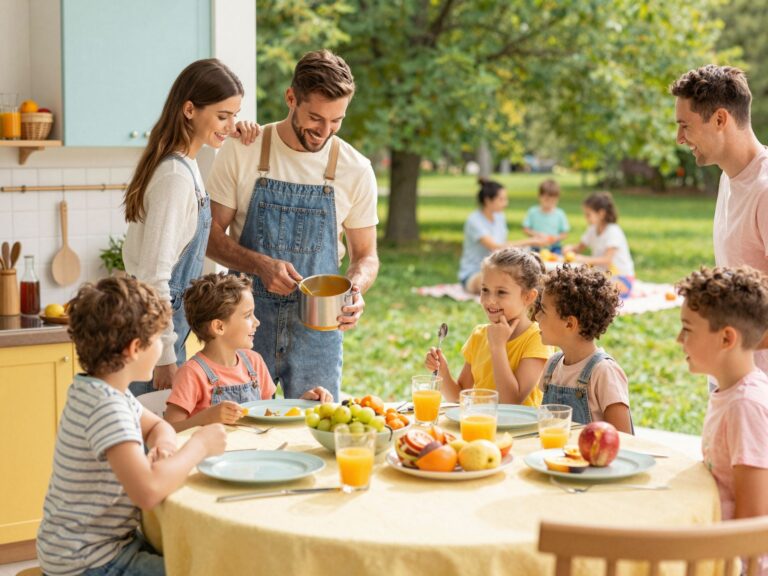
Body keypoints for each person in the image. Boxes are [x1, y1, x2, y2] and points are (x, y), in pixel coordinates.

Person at [205, 49, 379, 400]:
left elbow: (366, 256)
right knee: (243, 429)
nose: (324, 131)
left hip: (318, 330)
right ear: (290, 98)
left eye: (336, 121)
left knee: (314, 430)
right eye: (315, 118)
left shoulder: (355, 168)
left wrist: (355, 290)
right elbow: (207, 237)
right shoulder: (243, 150)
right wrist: (259, 265)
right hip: (245, 323)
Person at [36, 277, 226, 576]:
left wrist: (164, 447)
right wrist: (199, 445)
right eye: (157, 341)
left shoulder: (102, 389)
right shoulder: (106, 407)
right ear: (135, 348)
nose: (161, 349)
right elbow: (148, 492)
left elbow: (157, 428)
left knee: (192, 553)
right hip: (88, 562)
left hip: (93, 546)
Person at [122, 58, 259, 395]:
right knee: (156, 446)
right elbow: (155, 276)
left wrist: (231, 131)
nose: (230, 124)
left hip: (164, 338)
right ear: (189, 110)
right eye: (222, 116)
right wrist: (166, 356)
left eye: (234, 115)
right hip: (153, 346)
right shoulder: (174, 178)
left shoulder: (186, 165)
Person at [671, 64, 768, 374]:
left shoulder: (765, 191)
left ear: (720, 119)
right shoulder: (729, 176)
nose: (679, 138)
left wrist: (716, 345)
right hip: (733, 375)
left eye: (685, 125)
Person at [165, 273, 333, 431]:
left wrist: (303, 404)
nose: (257, 322)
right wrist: (205, 418)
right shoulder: (192, 373)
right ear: (219, 326)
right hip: (214, 459)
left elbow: (268, 412)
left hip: (253, 455)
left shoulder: (254, 362)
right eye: (248, 315)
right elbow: (169, 429)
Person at [675, 266, 768, 529]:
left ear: (727, 338)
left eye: (687, 329)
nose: (678, 339)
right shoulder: (729, 393)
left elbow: (752, 519)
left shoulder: (745, 406)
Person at [426, 247, 550, 405]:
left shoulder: (537, 338)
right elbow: (460, 398)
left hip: (520, 430)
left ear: (528, 296)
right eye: (485, 290)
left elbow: (511, 402)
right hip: (482, 425)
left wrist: (497, 347)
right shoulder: (479, 335)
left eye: (501, 292)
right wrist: (442, 373)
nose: (490, 300)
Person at [534, 265, 632, 433]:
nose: (536, 316)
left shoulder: (604, 372)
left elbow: (624, 439)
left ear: (570, 323)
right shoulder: (552, 365)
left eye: (543, 310)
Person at [459, 178, 549, 294]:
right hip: (474, 273)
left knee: (522, 277)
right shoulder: (474, 220)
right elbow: (495, 247)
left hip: (498, 269)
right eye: (501, 199)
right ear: (488, 200)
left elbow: (504, 246)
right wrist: (532, 241)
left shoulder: (499, 217)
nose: (506, 203)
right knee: (494, 282)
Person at [564, 191, 635, 298]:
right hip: (602, 276)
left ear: (601, 213)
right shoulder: (592, 229)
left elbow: (607, 259)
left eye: (588, 214)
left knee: (595, 293)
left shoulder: (613, 231)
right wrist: (569, 249)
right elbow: (579, 248)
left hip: (621, 277)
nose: (586, 218)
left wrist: (582, 259)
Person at [522, 179, 570, 254]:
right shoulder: (533, 212)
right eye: (547, 200)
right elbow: (525, 229)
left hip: (554, 247)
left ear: (557, 199)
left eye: (553, 201)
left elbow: (564, 233)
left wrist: (555, 238)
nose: (549, 203)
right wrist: (537, 235)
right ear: (539, 197)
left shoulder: (560, 214)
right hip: (536, 246)